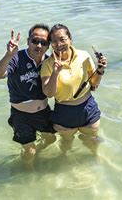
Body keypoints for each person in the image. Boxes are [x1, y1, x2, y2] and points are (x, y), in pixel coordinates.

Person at [0, 24, 56, 165]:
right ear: (28, 41)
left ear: (48, 46)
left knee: (52, 139)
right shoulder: (16, 58)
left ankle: (35, 151)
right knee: (29, 151)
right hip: (21, 116)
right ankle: (28, 173)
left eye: (44, 43)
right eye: (35, 41)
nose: (39, 45)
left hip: (43, 112)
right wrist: (8, 55)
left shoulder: (49, 61)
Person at [41, 24, 107, 154]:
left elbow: (94, 85)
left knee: (93, 141)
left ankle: (96, 159)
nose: (58, 44)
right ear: (50, 44)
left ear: (70, 39)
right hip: (64, 112)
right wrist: (55, 73)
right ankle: (65, 165)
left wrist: (100, 70)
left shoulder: (84, 56)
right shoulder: (48, 64)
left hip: (87, 108)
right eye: (54, 41)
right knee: (66, 145)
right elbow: (48, 94)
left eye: (62, 39)